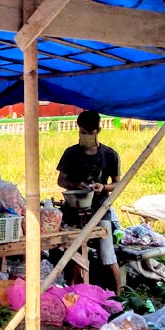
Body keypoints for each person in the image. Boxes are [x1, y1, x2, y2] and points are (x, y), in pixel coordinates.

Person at [55, 111, 122, 296]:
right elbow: (61, 180)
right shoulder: (71, 153)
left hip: (100, 209)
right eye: (82, 132)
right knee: (71, 252)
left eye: (89, 132)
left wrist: (104, 187)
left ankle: (118, 295)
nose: (85, 136)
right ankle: (73, 291)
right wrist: (76, 185)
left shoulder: (109, 155)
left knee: (107, 254)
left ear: (98, 130)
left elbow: (118, 183)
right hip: (74, 208)